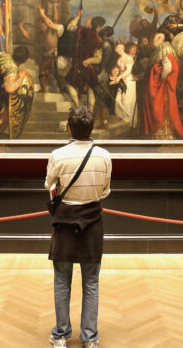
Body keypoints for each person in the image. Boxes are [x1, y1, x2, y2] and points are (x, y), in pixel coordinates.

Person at [45, 106, 111, 348]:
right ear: (91, 128)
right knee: (91, 282)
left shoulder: (57, 155)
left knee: (62, 279)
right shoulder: (104, 156)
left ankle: (61, 335)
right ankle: (89, 338)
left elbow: (49, 185)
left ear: (70, 127)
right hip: (92, 221)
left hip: (64, 222)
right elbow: (105, 190)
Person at [142, 33, 183, 139]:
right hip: (159, 87)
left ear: (159, 40)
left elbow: (168, 67)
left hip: (162, 88)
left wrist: (160, 80)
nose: (151, 42)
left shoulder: (165, 50)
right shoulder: (159, 51)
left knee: (161, 109)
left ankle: (164, 136)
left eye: (153, 39)